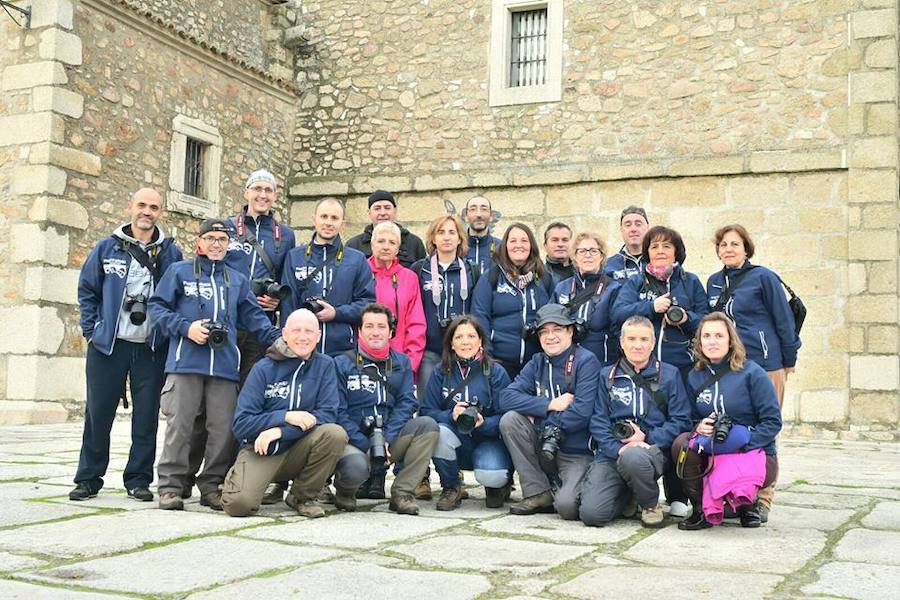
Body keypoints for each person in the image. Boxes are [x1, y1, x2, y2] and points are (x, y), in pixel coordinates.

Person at [148, 219, 281, 511]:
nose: (217, 243)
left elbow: (255, 319)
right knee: (179, 427)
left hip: (223, 367)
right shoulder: (179, 272)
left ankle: (211, 485)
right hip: (185, 364)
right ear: (199, 242)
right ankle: (170, 486)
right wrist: (186, 328)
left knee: (222, 430)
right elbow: (156, 308)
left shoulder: (237, 280)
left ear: (229, 244)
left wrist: (283, 340)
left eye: (222, 238)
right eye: (210, 238)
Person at [70, 188, 183, 502]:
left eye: (154, 207)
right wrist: (93, 330)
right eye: (142, 205)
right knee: (98, 414)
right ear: (130, 207)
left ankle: (138, 480)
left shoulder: (170, 253)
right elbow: (87, 290)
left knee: (146, 417)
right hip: (109, 345)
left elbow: (178, 296)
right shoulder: (107, 248)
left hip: (151, 347)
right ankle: (88, 478)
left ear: (161, 213)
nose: (147, 212)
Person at [221, 309, 348, 518]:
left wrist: (281, 432)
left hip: (301, 449)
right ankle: (238, 478)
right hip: (262, 450)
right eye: (296, 330)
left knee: (334, 433)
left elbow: (327, 415)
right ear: (284, 334)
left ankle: (302, 496)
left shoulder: (325, 366)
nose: (302, 337)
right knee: (238, 506)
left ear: (318, 336)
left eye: (309, 331)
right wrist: (284, 417)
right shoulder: (263, 368)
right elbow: (241, 424)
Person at [580, 316, 692, 528]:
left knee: (634, 458)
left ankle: (650, 505)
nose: (637, 345)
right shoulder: (606, 376)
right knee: (592, 515)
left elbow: (681, 421)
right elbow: (598, 420)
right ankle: (629, 495)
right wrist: (617, 449)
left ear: (652, 343)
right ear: (622, 343)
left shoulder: (669, 374)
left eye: (643, 339)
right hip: (613, 452)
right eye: (631, 339)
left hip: (653, 451)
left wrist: (647, 438)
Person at [673, 312, 783, 529]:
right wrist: (698, 426)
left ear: (731, 340)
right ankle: (700, 509)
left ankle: (747, 503)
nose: (712, 341)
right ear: (699, 341)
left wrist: (742, 443)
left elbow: (772, 421)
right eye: (706, 336)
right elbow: (686, 416)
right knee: (682, 445)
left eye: (719, 336)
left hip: (749, 450)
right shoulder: (694, 376)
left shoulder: (753, 373)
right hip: (711, 446)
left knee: (734, 457)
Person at [332, 304, 439, 515]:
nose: (375, 331)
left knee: (427, 426)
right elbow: (337, 411)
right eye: (369, 326)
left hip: (389, 437)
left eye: (381, 326)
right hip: (354, 439)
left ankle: (402, 493)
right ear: (359, 331)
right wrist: (366, 444)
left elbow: (407, 402)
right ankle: (345, 491)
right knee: (356, 467)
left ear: (390, 332)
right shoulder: (341, 363)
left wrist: (387, 438)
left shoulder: (402, 362)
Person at [499, 304, 600, 519]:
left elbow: (582, 413)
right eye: (544, 331)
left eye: (557, 329)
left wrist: (539, 419)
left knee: (567, 508)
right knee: (510, 420)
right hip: (543, 443)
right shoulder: (537, 361)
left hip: (575, 450)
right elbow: (506, 398)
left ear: (571, 331)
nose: (550, 336)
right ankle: (538, 492)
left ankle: (585, 487)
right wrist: (548, 405)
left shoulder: (586, 361)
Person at [421, 316, 513, 510]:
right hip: (457, 441)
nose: (465, 342)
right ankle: (451, 486)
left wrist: (484, 422)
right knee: (438, 430)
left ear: (480, 340)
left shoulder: (496, 372)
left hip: (488, 440)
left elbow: (507, 418)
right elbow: (426, 412)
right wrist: (450, 415)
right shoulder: (440, 372)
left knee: (493, 475)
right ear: (451, 344)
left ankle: (497, 486)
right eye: (459, 337)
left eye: (471, 336)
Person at [706, 224, 800, 407]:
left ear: (746, 249)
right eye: (723, 245)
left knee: (766, 421)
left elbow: (784, 321)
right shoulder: (714, 282)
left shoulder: (763, 277)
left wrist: (789, 358)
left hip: (764, 361)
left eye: (735, 244)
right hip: (730, 364)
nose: (728, 249)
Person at [224, 169, 297, 385]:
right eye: (257, 189)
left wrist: (277, 301)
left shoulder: (285, 235)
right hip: (229, 317)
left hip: (260, 322)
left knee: (251, 383)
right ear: (246, 192)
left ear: (275, 196)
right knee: (222, 385)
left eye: (268, 190)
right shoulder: (226, 227)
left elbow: (287, 278)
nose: (262, 195)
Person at [280, 197, 376, 357]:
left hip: (344, 352)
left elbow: (367, 305)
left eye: (334, 218)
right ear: (314, 219)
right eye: (324, 217)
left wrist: (337, 313)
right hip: (303, 348)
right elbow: (288, 304)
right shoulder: (295, 257)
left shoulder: (357, 260)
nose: (328, 223)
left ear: (343, 223)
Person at [611, 225, 709, 375]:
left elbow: (706, 323)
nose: (660, 251)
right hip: (642, 367)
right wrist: (651, 307)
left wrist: (685, 318)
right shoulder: (636, 282)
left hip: (684, 367)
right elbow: (617, 314)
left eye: (667, 246)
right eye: (654, 247)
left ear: (676, 252)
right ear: (648, 253)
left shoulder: (690, 281)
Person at [472, 223, 555, 379]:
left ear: (531, 245)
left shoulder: (544, 278)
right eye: (513, 241)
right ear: (505, 246)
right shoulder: (491, 278)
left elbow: (555, 314)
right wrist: (487, 357)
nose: (519, 245)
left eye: (524, 240)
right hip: (499, 364)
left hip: (537, 363)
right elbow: (480, 317)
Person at [412, 213, 480, 398]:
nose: (447, 237)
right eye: (441, 232)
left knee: (461, 402)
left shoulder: (471, 270)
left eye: (452, 232)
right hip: (430, 351)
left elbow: (477, 310)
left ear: (460, 238)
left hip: (463, 351)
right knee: (427, 403)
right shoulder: (419, 269)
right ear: (433, 238)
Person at [367, 221, 426, 377]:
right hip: (362, 360)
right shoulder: (360, 272)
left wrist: (410, 363)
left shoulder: (409, 278)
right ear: (372, 245)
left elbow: (416, 324)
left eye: (392, 242)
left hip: (398, 361)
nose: (386, 246)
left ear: (398, 249)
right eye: (381, 241)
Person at [554, 232, 622, 366]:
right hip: (567, 363)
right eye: (582, 251)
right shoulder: (562, 287)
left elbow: (619, 330)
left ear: (602, 256)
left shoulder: (613, 289)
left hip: (601, 363)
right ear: (575, 256)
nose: (588, 255)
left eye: (593, 251)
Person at [346, 189, 426, 267]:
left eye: (387, 208)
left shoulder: (414, 243)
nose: (383, 213)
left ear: (395, 211)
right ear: (369, 212)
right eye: (377, 208)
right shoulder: (354, 245)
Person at [604, 206, 649, 281]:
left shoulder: (658, 261)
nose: (633, 229)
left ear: (647, 227)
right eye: (628, 225)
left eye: (638, 224)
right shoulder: (608, 266)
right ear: (621, 229)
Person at [464, 195, 501, 273]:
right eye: (473, 209)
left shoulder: (501, 248)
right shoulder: (456, 247)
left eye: (484, 209)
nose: (479, 215)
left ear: (491, 216)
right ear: (466, 216)